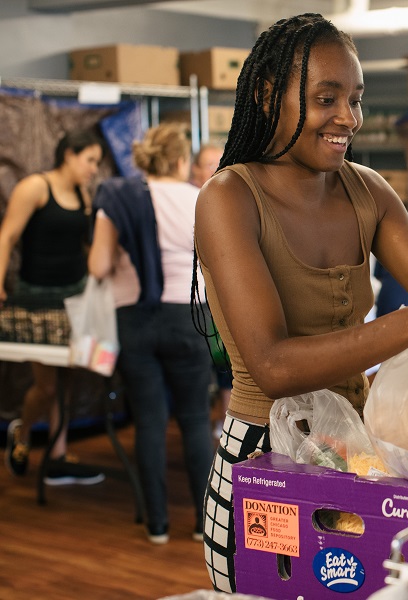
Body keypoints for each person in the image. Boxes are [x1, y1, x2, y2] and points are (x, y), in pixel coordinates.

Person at [191, 14, 408, 592]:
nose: (348, 118)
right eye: (326, 98)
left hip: (358, 453)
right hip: (264, 460)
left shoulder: (368, 192)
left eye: (356, 99)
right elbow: (274, 366)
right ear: (269, 96)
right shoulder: (229, 198)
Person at [88, 123, 214, 545]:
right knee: (196, 420)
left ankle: (157, 524)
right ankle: (202, 523)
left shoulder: (117, 198)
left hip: (134, 319)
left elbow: (98, 266)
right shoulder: (200, 199)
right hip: (189, 317)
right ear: (181, 161)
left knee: (149, 421)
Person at [1, 129, 106, 486]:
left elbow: (86, 246)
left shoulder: (83, 193)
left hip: (75, 297)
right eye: (90, 160)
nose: (94, 168)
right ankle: (23, 432)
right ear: (69, 155)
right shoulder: (34, 187)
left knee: (68, 378)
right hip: (37, 300)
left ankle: (58, 455)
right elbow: (7, 236)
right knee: (46, 385)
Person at [188, 142, 231, 440]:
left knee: (227, 367)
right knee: (206, 367)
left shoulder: (227, 199)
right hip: (194, 304)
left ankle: (225, 424)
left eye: (218, 162)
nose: (214, 169)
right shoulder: (188, 201)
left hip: (222, 300)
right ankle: (207, 426)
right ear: (192, 169)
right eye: (207, 164)